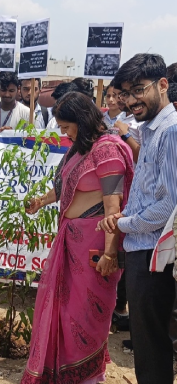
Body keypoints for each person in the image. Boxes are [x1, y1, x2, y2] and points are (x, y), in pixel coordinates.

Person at [21, 92, 134, 384]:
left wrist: (110, 253)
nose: (63, 132)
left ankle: (88, 377)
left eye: (66, 126)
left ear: (82, 122)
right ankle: (63, 372)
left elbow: (113, 207)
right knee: (64, 310)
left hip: (94, 246)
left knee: (85, 315)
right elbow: (67, 188)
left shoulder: (108, 150)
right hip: (70, 241)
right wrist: (41, 201)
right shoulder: (81, 148)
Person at [97, 53, 177, 384]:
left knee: (151, 345)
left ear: (162, 85)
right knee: (146, 342)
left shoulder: (170, 132)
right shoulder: (151, 130)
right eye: (127, 93)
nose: (131, 101)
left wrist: (123, 223)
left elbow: (169, 204)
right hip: (141, 249)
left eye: (138, 90)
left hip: (153, 254)